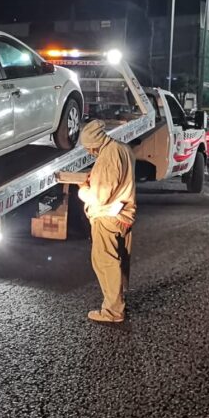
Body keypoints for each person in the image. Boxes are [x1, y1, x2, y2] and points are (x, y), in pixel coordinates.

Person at [77, 120, 136, 323]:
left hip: (107, 217)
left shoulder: (107, 157)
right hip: (125, 214)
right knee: (119, 258)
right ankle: (119, 297)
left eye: (88, 148)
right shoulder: (122, 148)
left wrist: (83, 189)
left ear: (94, 143)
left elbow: (99, 197)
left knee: (105, 262)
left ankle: (113, 311)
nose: (89, 152)